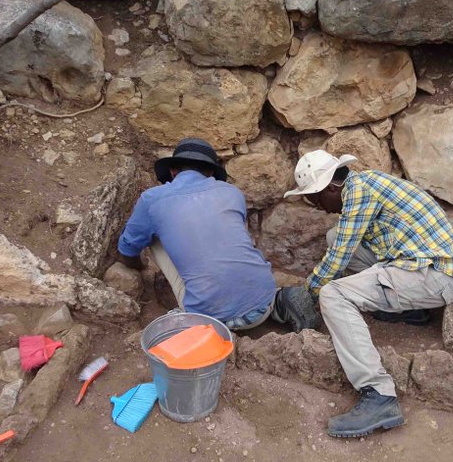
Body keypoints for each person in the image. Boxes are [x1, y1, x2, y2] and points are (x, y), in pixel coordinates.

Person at [285, 150, 453, 438]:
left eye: (316, 199)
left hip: (435, 276)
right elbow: (341, 244)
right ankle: (411, 311)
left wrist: (307, 294)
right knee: (333, 236)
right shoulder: (363, 184)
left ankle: (378, 394)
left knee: (333, 295)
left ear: (331, 188)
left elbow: (338, 258)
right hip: (424, 263)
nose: (319, 207)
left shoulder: (359, 194)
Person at [117, 137, 319, 332]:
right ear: (211, 172)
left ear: (172, 171)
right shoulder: (232, 192)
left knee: (151, 233)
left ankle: (188, 318)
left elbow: (127, 250)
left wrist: (140, 267)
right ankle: (279, 301)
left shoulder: (152, 199)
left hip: (209, 320)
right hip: (262, 306)